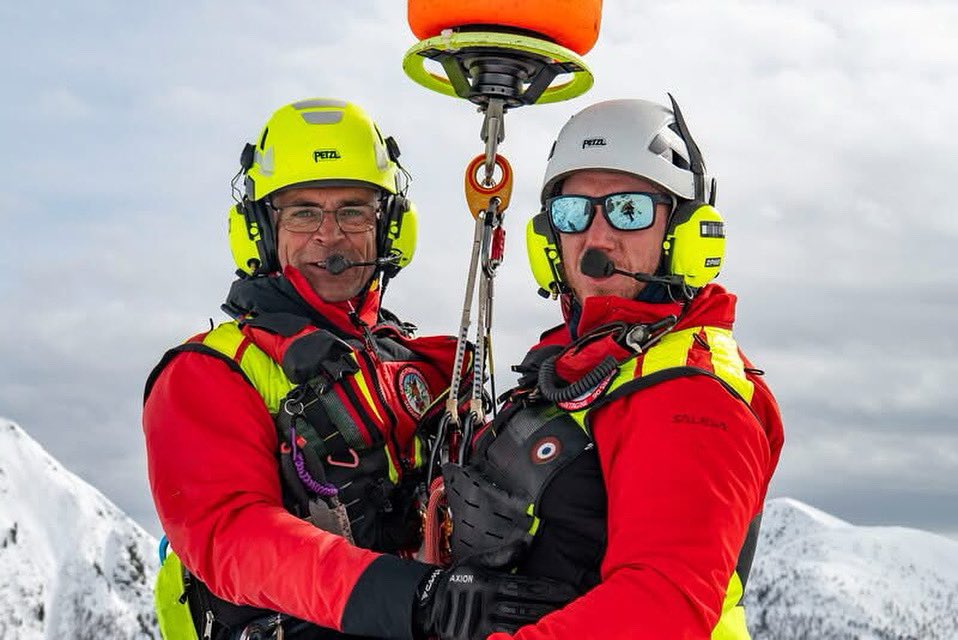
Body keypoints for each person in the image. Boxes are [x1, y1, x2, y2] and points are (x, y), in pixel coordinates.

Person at [143, 98, 574, 640]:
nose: (330, 235)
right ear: (260, 230)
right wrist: (412, 598)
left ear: (388, 229)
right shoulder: (208, 374)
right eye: (302, 212)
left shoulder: (429, 368)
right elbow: (233, 539)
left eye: (353, 211)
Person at [440, 96, 785, 639]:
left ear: (682, 231)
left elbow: (663, 607)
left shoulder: (693, 394)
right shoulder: (587, 366)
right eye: (573, 212)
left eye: (629, 210)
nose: (596, 238)